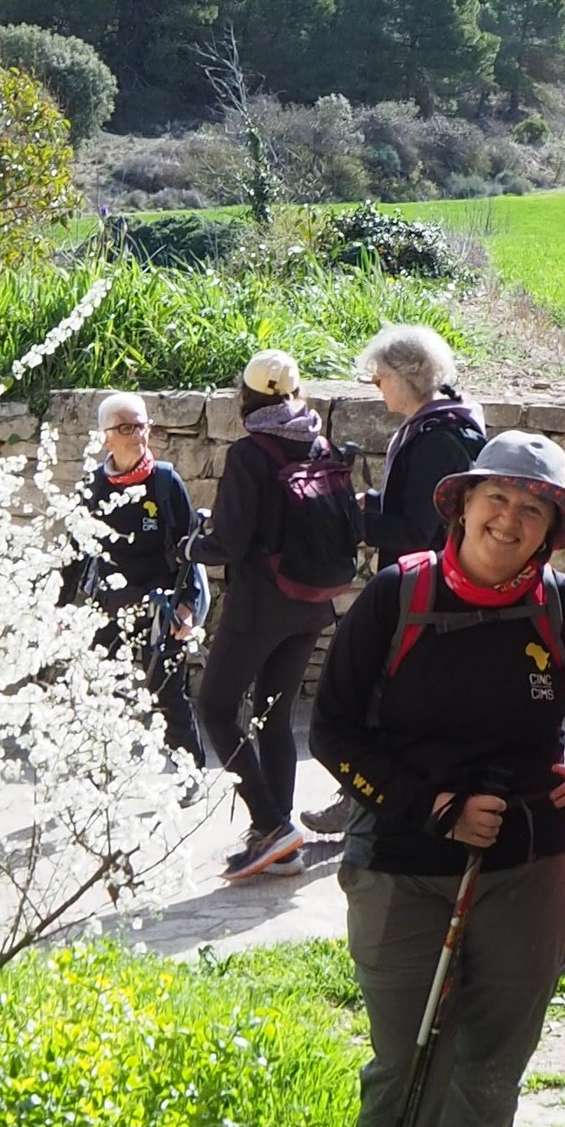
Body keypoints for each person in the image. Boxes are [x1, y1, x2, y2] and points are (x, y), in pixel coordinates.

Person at [312, 431, 565, 1127]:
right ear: (462, 504)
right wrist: (435, 807)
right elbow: (333, 734)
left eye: (533, 509)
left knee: (494, 1059)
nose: (510, 518)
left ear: (551, 531)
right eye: (496, 497)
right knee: (407, 1061)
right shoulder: (396, 596)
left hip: (530, 866)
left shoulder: (564, 609)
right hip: (400, 861)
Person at [195, 349, 362, 880]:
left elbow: (227, 542)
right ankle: (282, 844)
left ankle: (270, 824)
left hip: (259, 607)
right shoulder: (320, 443)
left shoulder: (250, 454)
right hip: (311, 604)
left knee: (215, 708)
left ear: (245, 396)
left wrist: (191, 547)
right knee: (274, 716)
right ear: (296, 393)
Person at [62, 392, 204, 762]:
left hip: (162, 608)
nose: (138, 434)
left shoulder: (165, 482)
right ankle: (102, 769)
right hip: (109, 607)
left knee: (168, 695)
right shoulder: (92, 489)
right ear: (105, 438)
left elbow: (189, 548)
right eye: (126, 428)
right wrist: (60, 611)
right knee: (101, 690)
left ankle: (190, 773)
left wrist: (188, 606)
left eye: (142, 425)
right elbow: (73, 555)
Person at [358, 323, 486, 569]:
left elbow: (415, 533)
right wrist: (370, 502)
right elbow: (420, 501)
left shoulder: (432, 443)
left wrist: (352, 522)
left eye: (379, 378)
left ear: (402, 378)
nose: (377, 386)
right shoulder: (448, 420)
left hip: (426, 581)